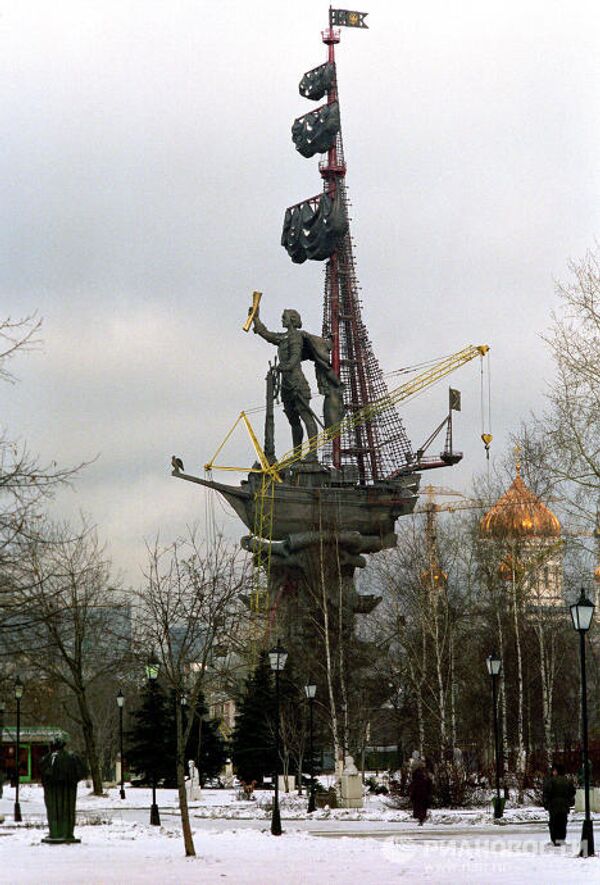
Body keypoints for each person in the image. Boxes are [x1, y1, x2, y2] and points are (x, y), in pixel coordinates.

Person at [253, 309, 319, 456]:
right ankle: (297, 455)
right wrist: (256, 319)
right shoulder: (283, 337)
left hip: (297, 383)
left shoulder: (296, 337)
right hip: (286, 386)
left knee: (305, 416)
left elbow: (295, 358)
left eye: (284, 318)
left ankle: (312, 453)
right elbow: (267, 334)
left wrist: (284, 366)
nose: (282, 320)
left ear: (292, 319)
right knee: (293, 421)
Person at [40, 737, 86, 843]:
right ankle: (67, 832)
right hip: (69, 791)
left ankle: (56, 832)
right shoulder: (72, 758)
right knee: (67, 810)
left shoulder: (49, 758)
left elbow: (44, 772)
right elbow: (81, 772)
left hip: (53, 791)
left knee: (54, 810)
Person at [542, 762, 576, 845]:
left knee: (554, 822)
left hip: (553, 805)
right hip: (564, 805)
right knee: (562, 822)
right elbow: (572, 792)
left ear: (556, 771)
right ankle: (561, 839)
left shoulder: (551, 781)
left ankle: (555, 839)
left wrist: (546, 803)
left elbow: (547, 792)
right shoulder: (567, 781)